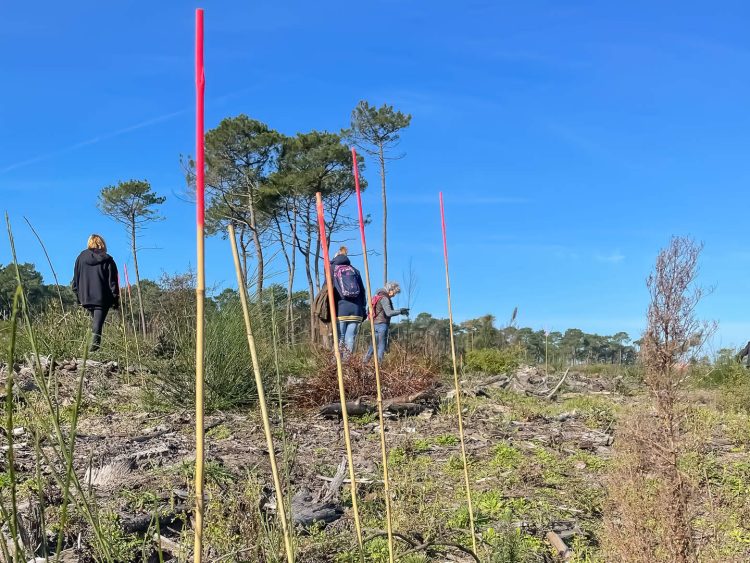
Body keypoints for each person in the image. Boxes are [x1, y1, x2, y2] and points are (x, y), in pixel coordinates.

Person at [72, 234, 120, 352]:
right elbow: (113, 282)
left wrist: (79, 297)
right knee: (97, 326)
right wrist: (115, 299)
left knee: (95, 323)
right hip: (102, 299)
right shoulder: (108, 260)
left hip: (85, 298)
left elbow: (75, 281)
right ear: (102, 244)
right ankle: (92, 351)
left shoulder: (80, 258)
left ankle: (88, 350)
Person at [331, 246, 366, 355]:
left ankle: (336, 362)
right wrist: (363, 309)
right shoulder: (355, 271)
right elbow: (363, 291)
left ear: (335, 257)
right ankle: (348, 362)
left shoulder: (332, 268)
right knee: (350, 338)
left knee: (340, 337)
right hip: (356, 310)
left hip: (340, 308)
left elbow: (327, 289)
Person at [364, 281, 409, 363]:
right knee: (381, 345)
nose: (394, 295)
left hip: (375, 324)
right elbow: (389, 313)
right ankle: (379, 364)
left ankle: (365, 362)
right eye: (394, 293)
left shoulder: (377, 296)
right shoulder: (384, 298)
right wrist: (400, 311)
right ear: (390, 290)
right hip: (382, 324)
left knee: (373, 344)